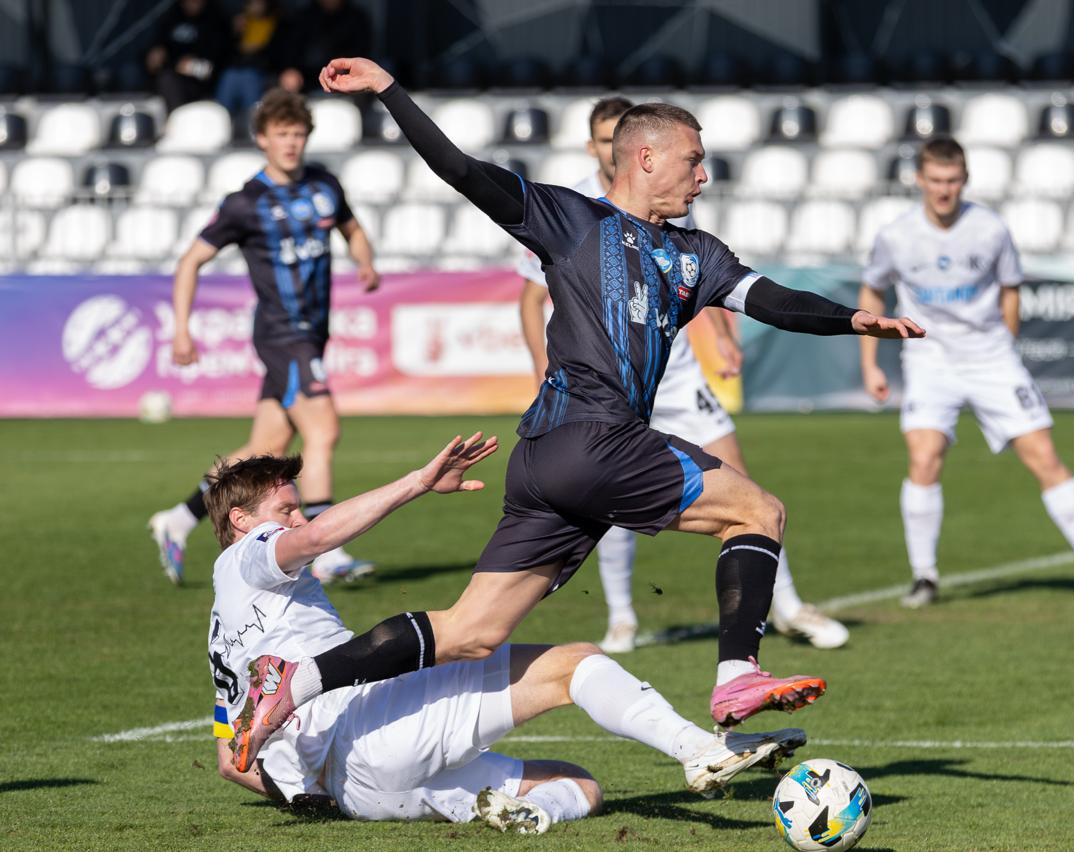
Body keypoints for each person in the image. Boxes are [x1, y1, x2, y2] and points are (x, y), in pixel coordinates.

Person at [226, 56, 925, 773]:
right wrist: (388, 91)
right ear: (646, 157)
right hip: (596, 437)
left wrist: (851, 319)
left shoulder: (697, 255)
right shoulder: (570, 219)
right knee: (759, 512)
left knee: (470, 631)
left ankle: (296, 681)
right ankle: (735, 677)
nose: (703, 175)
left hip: (543, 460)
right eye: (693, 160)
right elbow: (461, 171)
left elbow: (772, 299)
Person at [207, 448, 806, 830]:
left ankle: (529, 815)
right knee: (574, 664)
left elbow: (229, 763)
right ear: (241, 521)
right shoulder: (249, 554)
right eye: (286, 510)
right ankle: (700, 749)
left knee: (578, 785)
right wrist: (417, 482)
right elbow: (314, 541)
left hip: (359, 793)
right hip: (373, 729)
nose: (299, 520)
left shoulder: (223, 635)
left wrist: (307, 796)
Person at [517, 96, 848, 653]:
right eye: (603, 140)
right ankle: (622, 618)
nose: (610, 147)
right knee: (605, 495)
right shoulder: (570, 209)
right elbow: (531, 298)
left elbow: (695, 275)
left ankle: (788, 606)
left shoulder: (671, 192)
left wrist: (721, 336)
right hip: (603, 382)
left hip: (673, 372)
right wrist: (540, 370)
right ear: (601, 148)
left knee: (746, 490)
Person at [857, 137, 1074, 608]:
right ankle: (924, 576)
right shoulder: (896, 235)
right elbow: (872, 290)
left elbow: (1010, 288)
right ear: (919, 179)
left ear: (965, 179)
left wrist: (1007, 347)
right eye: (936, 180)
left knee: (1043, 455)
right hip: (929, 359)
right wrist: (870, 363)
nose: (944, 190)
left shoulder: (990, 229)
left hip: (990, 357)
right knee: (924, 457)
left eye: (953, 180)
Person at [147, 89, 381, 587]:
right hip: (281, 334)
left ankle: (179, 518)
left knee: (266, 447)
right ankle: (326, 549)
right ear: (261, 139)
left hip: (312, 334)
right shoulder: (246, 203)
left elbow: (354, 230)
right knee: (323, 431)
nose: (291, 143)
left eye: (298, 134)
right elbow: (190, 261)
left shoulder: (324, 184)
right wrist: (182, 329)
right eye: (281, 134)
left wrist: (364, 261)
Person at [146, 0, 232, 114]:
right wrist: (155, 56)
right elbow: (158, 47)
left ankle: (178, 118)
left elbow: (219, 62)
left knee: (169, 81)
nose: (191, 4)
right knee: (166, 79)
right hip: (171, 74)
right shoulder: (172, 16)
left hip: (203, 83)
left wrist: (194, 66)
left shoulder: (215, 19)